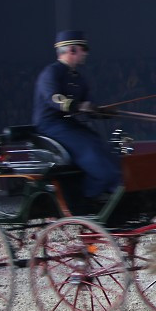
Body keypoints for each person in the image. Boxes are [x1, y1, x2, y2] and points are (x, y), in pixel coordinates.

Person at [32, 30, 122, 206]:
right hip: (50, 125)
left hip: (67, 124)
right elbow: (54, 98)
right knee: (87, 146)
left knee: (97, 142)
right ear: (72, 50)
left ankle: (112, 184)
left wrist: (103, 112)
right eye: (83, 49)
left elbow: (89, 104)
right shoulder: (50, 73)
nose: (86, 53)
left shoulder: (78, 77)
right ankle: (90, 192)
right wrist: (79, 106)